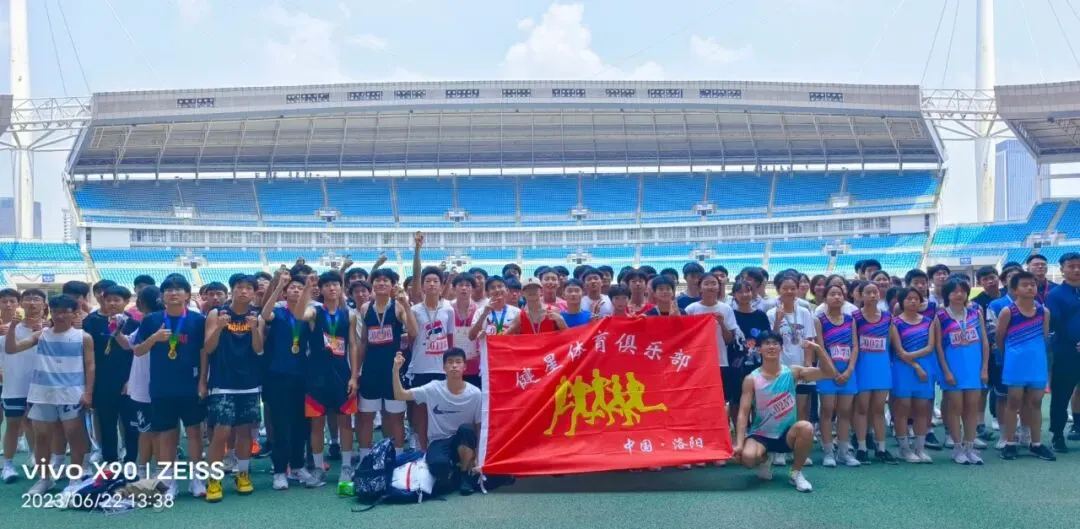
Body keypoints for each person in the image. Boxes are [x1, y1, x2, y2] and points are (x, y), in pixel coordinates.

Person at [133, 276, 208, 498]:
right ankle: (168, 482)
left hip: (190, 386)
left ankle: (197, 480)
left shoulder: (198, 320)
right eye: (168, 290)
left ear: (187, 295)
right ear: (162, 296)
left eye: (178, 289)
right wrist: (154, 338)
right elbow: (138, 350)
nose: (173, 293)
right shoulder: (151, 320)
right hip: (161, 386)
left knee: (195, 433)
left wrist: (203, 381)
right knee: (166, 435)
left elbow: (204, 352)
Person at [733, 331, 833, 493]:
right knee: (747, 458)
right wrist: (738, 444)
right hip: (761, 434)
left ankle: (796, 473)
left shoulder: (792, 372)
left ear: (782, 348)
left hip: (786, 434)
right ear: (759, 349)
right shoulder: (751, 379)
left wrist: (818, 349)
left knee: (806, 427)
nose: (771, 347)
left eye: (775, 343)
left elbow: (829, 373)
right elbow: (743, 413)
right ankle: (765, 459)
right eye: (767, 343)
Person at [14, 295, 94, 494]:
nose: (60, 316)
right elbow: (13, 348)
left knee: (74, 436)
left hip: (72, 394)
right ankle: (44, 479)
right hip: (42, 394)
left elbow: (90, 365)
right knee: (41, 437)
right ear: (50, 312)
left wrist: (88, 392)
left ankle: (75, 479)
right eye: (56, 311)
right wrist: (11, 329)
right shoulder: (41, 335)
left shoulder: (84, 337)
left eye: (65, 311)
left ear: (75, 313)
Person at [201, 275, 264, 502]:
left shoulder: (256, 316)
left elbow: (259, 349)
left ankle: (242, 474)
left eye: (248, 288)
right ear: (232, 290)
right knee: (221, 432)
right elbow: (208, 348)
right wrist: (219, 328)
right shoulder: (217, 314)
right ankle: (214, 478)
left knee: (245, 431)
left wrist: (255, 329)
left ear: (254, 293)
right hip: (222, 382)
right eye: (240, 287)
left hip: (249, 383)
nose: (244, 291)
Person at [391, 347, 481, 496]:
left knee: (466, 429)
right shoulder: (433, 388)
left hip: (463, 440)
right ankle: (454, 472)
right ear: (444, 367)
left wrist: (478, 456)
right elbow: (400, 395)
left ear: (465, 366)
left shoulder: (475, 394)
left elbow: (478, 427)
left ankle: (465, 474)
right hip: (439, 441)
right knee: (438, 466)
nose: (454, 365)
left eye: (458, 362)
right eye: (450, 362)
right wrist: (395, 370)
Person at [295, 272, 357, 486]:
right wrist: (306, 287)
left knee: (345, 422)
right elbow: (299, 315)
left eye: (335, 284)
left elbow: (353, 345)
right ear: (320, 290)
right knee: (317, 423)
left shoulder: (348, 315)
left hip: (342, 374)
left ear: (341, 288)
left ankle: (346, 467)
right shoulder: (315, 311)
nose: (332, 288)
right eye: (327, 285)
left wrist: (354, 376)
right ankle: (319, 468)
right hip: (317, 376)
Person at [352, 268, 416, 470]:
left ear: (392, 285)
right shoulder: (365, 308)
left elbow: (414, 332)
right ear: (373, 284)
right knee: (366, 418)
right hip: (371, 371)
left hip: (393, 372)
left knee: (394, 418)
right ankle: (365, 460)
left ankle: (396, 460)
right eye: (378, 280)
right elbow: (363, 342)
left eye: (386, 280)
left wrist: (406, 305)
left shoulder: (398, 307)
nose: (381, 283)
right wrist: (356, 373)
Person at [995, 271, 1055, 461]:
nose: (1030, 287)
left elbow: (1044, 337)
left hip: (1037, 363)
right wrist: (1010, 357)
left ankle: (1035, 443)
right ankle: (1010, 443)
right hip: (1015, 364)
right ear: (1014, 289)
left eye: (1032, 284)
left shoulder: (1044, 312)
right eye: (1025, 285)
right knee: (1013, 402)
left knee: (1036, 403)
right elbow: (999, 338)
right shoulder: (1008, 312)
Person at [82, 285, 140, 465]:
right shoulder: (92, 322)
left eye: (117, 300)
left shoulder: (134, 324)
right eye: (108, 300)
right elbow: (88, 354)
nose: (112, 303)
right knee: (106, 423)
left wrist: (131, 380)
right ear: (103, 301)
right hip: (102, 380)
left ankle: (131, 459)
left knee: (130, 424)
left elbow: (137, 355)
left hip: (127, 381)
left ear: (126, 301)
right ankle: (110, 460)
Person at [934, 278, 989, 465]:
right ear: (947, 295)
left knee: (972, 408)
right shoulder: (941, 316)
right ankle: (957, 448)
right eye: (954, 291)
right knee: (955, 408)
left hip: (974, 368)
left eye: (963, 291)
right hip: (953, 368)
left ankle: (970, 447)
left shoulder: (975, 313)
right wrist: (946, 371)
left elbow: (984, 342)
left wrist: (984, 367)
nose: (959, 295)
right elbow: (938, 346)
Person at [767, 273, 817, 467]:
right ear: (778, 290)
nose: (789, 291)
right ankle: (779, 450)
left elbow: (809, 340)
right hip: (780, 369)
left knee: (801, 409)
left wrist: (808, 365)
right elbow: (770, 341)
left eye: (792, 288)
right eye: (785, 288)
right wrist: (778, 321)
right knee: (780, 409)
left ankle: (797, 449)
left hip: (801, 368)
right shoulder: (771, 313)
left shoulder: (804, 312)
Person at [408, 266, 456, 451]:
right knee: (420, 410)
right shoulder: (415, 310)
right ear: (422, 286)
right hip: (420, 367)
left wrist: (449, 363)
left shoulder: (448, 310)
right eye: (428, 281)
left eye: (436, 281)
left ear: (442, 286)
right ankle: (421, 447)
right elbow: (412, 339)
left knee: (440, 410)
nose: (432, 284)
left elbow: (450, 338)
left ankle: (439, 447)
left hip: (441, 368)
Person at [890, 287, 938, 464]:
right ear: (901, 302)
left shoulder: (928, 322)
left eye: (916, 299)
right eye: (909, 298)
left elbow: (930, 346)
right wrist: (915, 365)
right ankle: (904, 449)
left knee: (922, 408)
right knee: (902, 408)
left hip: (925, 368)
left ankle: (920, 448)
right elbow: (899, 351)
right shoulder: (895, 323)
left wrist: (913, 358)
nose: (913, 301)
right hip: (903, 369)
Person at [851, 283, 897, 464]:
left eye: (875, 292)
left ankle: (881, 448)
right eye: (868, 292)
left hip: (882, 367)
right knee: (862, 408)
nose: (872, 295)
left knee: (878, 408)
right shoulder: (855, 317)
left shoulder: (887, 317)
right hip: (862, 367)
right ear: (860, 295)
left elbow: (892, 342)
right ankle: (862, 447)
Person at [686, 274, 738, 430]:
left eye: (713, 283)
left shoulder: (726, 309)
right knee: (698, 399)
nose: (710, 287)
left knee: (719, 400)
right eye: (706, 283)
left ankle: (720, 430)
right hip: (697, 363)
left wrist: (721, 323)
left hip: (720, 361)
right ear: (700, 287)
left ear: (719, 287)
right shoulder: (691, 309)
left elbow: (729, 339)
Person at [814, 284, 858, 467]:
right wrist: (833, 371)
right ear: (825, 298)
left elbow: (855, 346)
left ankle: (843, 452)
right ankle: (828, 452)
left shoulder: (850, 320)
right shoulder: (819, 320)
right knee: (827, 410)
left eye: (839, 294)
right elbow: (820, 348)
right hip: (826, 372)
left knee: (845, 412)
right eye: (832, 294)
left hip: (847, 372)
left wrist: (849, 370)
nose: (837, 297)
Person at [1046, 252, 1080, 452]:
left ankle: (1078, 426)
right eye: (1071, 266)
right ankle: (1057, 434)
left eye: (1079, 266)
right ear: (1062, 269)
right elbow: (1055, 325)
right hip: (1066, 351)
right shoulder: (1055, 295)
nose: (1076, 269)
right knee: (1061, 394)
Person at [468, 275, 521, 389]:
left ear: (507, 290)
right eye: (492, 287)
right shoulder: (480, 312)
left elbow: (522, 337)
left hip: (512, 364)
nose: (497, 290)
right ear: (487, 293)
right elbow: (471, 336)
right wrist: (484, 314)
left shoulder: (517, 312)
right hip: (488, 365)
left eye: (500, 286)